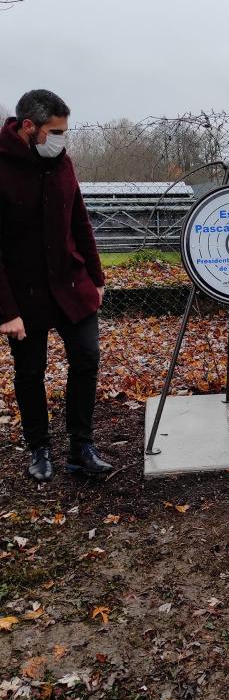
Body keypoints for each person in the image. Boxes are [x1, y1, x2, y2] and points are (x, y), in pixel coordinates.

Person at [0, 89, 112, 482]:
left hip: (72, 284)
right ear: (28, 127)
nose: (62, 138)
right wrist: (7, 311)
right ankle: (39, 448)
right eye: (55, 131)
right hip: (24, 293)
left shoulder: (62, 163)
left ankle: (81, 446)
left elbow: (80, 221)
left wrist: (96, 279)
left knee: (86, 357)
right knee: (30, 372)